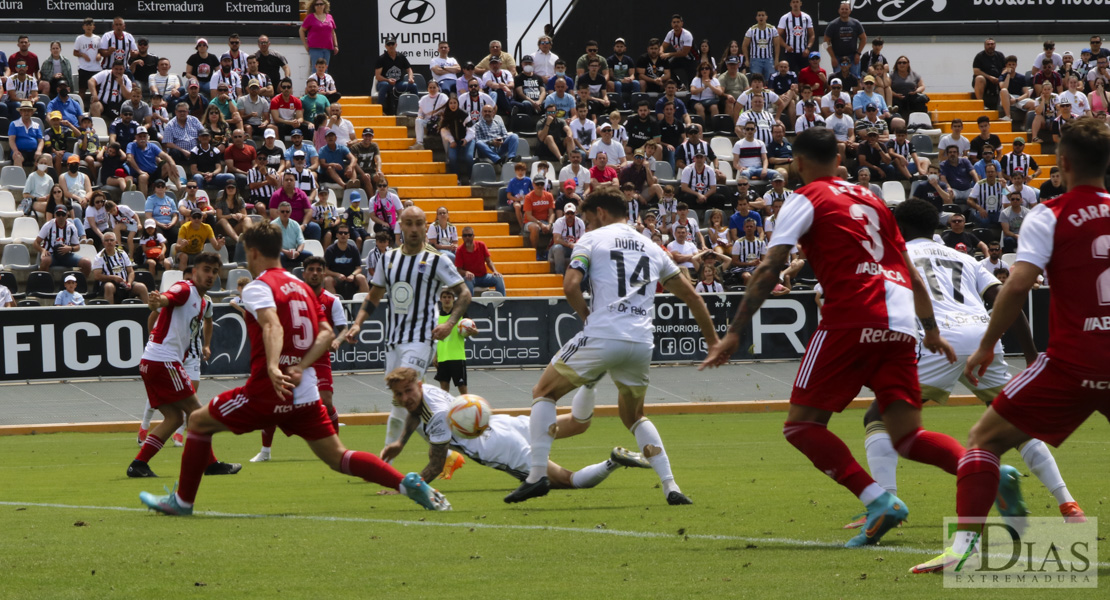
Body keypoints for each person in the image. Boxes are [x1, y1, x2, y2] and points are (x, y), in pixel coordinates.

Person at [701, 127, 964, 548]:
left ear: (799, 162)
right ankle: (983, 468)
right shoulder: (873, 197)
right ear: (838, 156)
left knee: (801, 426)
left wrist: (734, 332)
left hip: (852, 314)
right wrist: (929, 330)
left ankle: (879, 500)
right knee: (908, 435)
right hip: (900, 322)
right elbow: (910, 273)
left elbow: (770, 267)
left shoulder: (805, 197)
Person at [911, 119, 1110, 573]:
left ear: (1062, 163)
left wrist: (987, 344)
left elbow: (1017, 285)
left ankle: (962, 548)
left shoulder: (1050, 213)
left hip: (1071, 360)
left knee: (984, 438)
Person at [141, 224, 449, 515]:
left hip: (267, 390)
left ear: (253, 253)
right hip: (305, 394)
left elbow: (272, 324)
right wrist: (300, 366)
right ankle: (405, 482)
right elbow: (327, 333)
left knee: (196, 421)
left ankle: (182, 501)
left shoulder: (258, 287)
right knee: (340, 457)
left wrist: (275, 366)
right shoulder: (302, 287)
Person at [851, 199, 1081, 532]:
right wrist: (1032, 356)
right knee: (1018, 424)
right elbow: (1007, 299)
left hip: (935, 341)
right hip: (981, 339)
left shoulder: (894, 258)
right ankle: (1067, 503)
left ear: (897, 229)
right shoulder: (964, 257)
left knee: (878, 419)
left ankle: (885, 503)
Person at [505, 186, 718, 505]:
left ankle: (536, 476)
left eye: (589, 220)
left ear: (601, 214)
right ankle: (671, 486)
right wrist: (714, 342)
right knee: (634, 415)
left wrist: (585, 314)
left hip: (604, 332)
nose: (587, 226)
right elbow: (693, 296)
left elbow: (571, 285)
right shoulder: (652, 246)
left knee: (544, 392)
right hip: (641, 341)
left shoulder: (592, 239)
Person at [385, 365, 653, 492]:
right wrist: (401, 441)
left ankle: (613, 462)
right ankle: (590, 384)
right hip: (504, 423)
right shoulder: (426, 391)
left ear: (417, 386)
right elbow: (414, 412)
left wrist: (401, 486)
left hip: (501, 448)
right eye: (400, 394)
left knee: (570, 481)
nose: (405, 397)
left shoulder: (438, 417)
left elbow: (435, 466)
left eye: (408, 391)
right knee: (577, 424)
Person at [344, 206, 471, 453]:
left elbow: (464, 293)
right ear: (400, 226)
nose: (414, 229)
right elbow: (373, 296)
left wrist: (449, 323)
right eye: (409, 223)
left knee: (402, 401)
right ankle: (456, 443)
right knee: (407, 402)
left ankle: (385, 464)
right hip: (393, 341)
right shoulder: (388, 259)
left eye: (419, 224)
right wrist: (358, 323)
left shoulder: (438, 261)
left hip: (422, 339)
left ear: (427, 227)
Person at [250, 254, 348, 463]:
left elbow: (343, 329)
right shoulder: (292, 296)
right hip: (291, 357)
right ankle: (265, 451)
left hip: (319, 357)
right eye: (310, 269)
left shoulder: (332, 301)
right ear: (304, 273)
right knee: (272, 402)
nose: (314, 273)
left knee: (327, 403)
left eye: (318, 270)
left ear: (324, 274)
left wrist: (338, 340)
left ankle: (336, 448)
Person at [92, 231, 148, 304]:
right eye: (106, 240)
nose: (109, 242)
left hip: (125, 283)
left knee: (141, 287)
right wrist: (113, 278)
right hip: (108, 283)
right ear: (103, 243)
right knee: (109, 287)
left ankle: (148, 312)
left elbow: (131, 271)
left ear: (116, 242)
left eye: (111, 240)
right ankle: (110, 312)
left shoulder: (122, 253)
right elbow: (97, 276)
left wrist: (129, 283)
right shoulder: (99, 257)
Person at [35, 206, 92, 278]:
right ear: (55, 215)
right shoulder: (48, 225)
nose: (61, 217)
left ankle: (78, 284)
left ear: (67, 215)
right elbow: (36, 243)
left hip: (67, 255)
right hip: (51, 254)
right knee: (45, 260)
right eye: (58, 214)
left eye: (63, 214)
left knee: (87, 263)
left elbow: (77, 247)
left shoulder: (71, 227)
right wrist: (42, 250)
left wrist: (70, 248)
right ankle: (45, 284)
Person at [432, 291, 469, 395]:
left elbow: (471, 330)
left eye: (449, 297)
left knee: (463, 390)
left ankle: (468, 409)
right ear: (441, 299)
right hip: (443, 358)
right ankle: (445, 411)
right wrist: (436, 356)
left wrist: (474, 332)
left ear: (453, 299)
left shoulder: (460, 315)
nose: (447, 299)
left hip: (457, 357)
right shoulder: (437, 317)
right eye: (444, 297)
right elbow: (436, 338)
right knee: (443, 391)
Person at [453, 225, 506, 296]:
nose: (467, 237)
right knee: (468, 279)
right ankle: (470, 304)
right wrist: (466, 272)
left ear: (473, 236)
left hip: (483, 277)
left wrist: (495, 271)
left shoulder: (481, 245)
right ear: (462, 237)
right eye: (465, 235)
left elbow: (489, 261)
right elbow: (459, 269)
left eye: (469, 235)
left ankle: (501, 303)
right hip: (471, 278)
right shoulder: (460, 250)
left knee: (499, 278)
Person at [323, 224, 367, 299]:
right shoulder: (330, 250)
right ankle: (334, 304)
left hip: (351, 277)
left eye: (345, 233)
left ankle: (364, 306)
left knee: (361, 278)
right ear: (337, 235)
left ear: (348, 235)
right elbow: (325, 269)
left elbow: (359, 268)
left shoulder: (353, 249)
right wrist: (337, 274)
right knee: (327, 280)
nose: (343, 235)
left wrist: (353, 275)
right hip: (336, 278)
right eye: (340, 233)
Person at [374, 38, 416, 115]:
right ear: (385, 46)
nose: (391, 46)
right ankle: (379, 110)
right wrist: (388, 80)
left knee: (413, 86)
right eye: (388, 44)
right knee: (384, 85)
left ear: (396, 45)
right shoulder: (381, 58)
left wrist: (410, 78)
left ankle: (416, 108)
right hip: (384, 83)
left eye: (392, 44)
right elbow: (378, 76)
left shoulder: (401, 57)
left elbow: (409, 69)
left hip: (398, 83)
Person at [824, 2, 866, 78]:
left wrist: (858, 53)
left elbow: (863, 38)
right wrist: (832, 57)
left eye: (846, 9)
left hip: (853, 57)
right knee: (838, 79)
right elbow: (825, 42)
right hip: (837, 57)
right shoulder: (832, 25)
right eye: (842, 9)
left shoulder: (856, 23)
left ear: (850, 11)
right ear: (839, 11)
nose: (844, 11)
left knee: (855, 79)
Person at [776, 0, 815, 75]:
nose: (795, 4)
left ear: (800, 3)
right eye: (793, 2)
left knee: (805, 75)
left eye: (797, 2)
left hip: (803, 52)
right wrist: (786, 46)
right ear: (790, 4)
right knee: (789, 74)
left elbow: (812, 35)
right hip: (790, 52)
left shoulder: (806, 17)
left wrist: (808, 48)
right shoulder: (785, 18)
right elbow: (778, 35)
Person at [300, 0, 338, 69]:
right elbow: (301, 30)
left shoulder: (329, 17)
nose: (319, 6)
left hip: (327, 48)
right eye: (316, 4)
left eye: (321, 4)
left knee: (325, 69)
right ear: (313, 6)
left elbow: (333, 32)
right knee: (316, 69)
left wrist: (335, 45)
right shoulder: (310, 17)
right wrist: (305, 44)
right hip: (315, 48)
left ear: (324, 5)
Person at [411, 80, 446, 151]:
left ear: (438, 88)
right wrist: (420, 116)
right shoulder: (424, 99)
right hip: (428, 121)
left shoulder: (443, 97)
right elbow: (420, 112)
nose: (432, 89)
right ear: (428, 89)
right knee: (418, 120)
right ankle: (419, 143)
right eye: (430, 88)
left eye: (434, 87)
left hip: (438, 121)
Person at [8, 100, 43, 169]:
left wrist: (39, 150)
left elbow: (41, 140)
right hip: (20, 151)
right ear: (20, 112)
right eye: (24, 111)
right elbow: (11, 140)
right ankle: (19, 179)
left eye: (29, 111)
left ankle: (46, 179)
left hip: (34, 152)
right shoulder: (14, 124)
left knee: (48, 157)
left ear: (32, 112)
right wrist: (15, 150)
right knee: (17, 157)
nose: (26, 113)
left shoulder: (36, 125)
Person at [744, 10, 778, 81]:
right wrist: (747, 59)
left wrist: (776, 59)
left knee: (770, 79)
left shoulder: (772, 29)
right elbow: (744, 45)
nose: (761, 17)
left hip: (769, 59)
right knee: (756, 79)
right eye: (759, 15)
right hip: (755, 59)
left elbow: (777, 45)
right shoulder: (751, 30)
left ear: (766, 17)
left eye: (763, 15)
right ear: (756, 18)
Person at [972, 38, 1006, 103]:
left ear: (995, 45)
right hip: (985, 80)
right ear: (985, 46)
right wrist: (990, 77)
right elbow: (976, 71)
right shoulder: (979, 56)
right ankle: (980, 103)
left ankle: (1004, 103)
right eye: (988, 44)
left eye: (992, 44)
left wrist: (1000, 77)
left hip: (999, 79)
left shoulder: (1000, 55)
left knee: (1008, 76)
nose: (990, 46)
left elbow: (1005, 68)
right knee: (979, 78)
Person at [74, 17, 102, 95]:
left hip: (96, 69)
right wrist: (82, 55)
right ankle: (81, 107)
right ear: (83, 27)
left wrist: (99, 55)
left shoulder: (98, 38)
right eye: (87, 25)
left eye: (90, 25)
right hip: (84, 68)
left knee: (98, 90)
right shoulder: (79, 38)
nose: (89, 27)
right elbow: (75, 52)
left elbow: (100, 51)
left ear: (93, 27)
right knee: (82, 90)